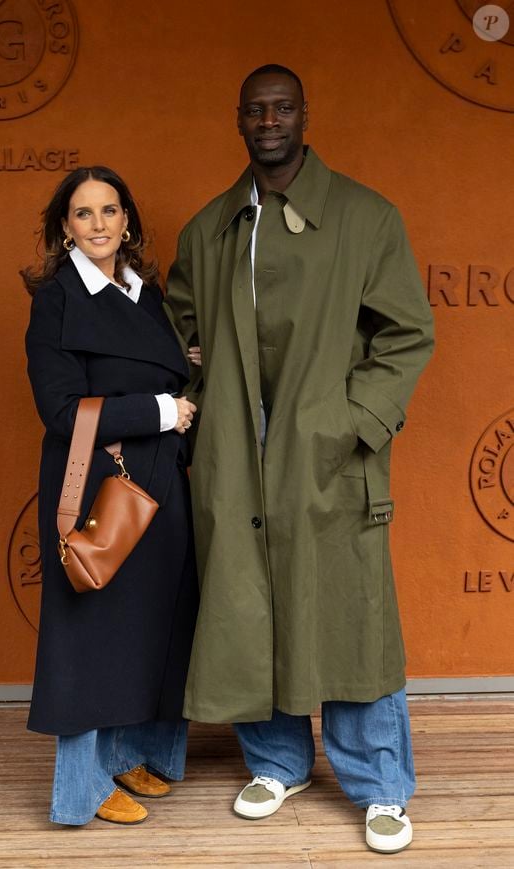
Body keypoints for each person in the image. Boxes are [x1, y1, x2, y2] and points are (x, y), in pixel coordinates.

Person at [166, 65, 434, 853]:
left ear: (305, 116)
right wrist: (198, 400)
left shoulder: (364, 217)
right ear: (239, 120)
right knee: (249, 606)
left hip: (324, 451)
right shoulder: (209, 228)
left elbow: (407, 333)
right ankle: (277, 760)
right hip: (235, 455)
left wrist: (349, 422)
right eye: (256, 109)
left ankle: (380, 782)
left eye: (283, 107)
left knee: (349, 614)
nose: (270, 120)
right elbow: (177, 332)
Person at [22, 166, 199, 826]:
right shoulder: (57, 299)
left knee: (153, 622)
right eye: (82, 213)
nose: (98, 224)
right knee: (90, 632)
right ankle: (82, 789)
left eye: (109, 210)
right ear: (64, 228)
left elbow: (164, 366)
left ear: (129, 221)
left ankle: (130, 754)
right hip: (102, 482)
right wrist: (161, 410)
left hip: (159, 482)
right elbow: (61, 408)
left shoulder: (147, 292)